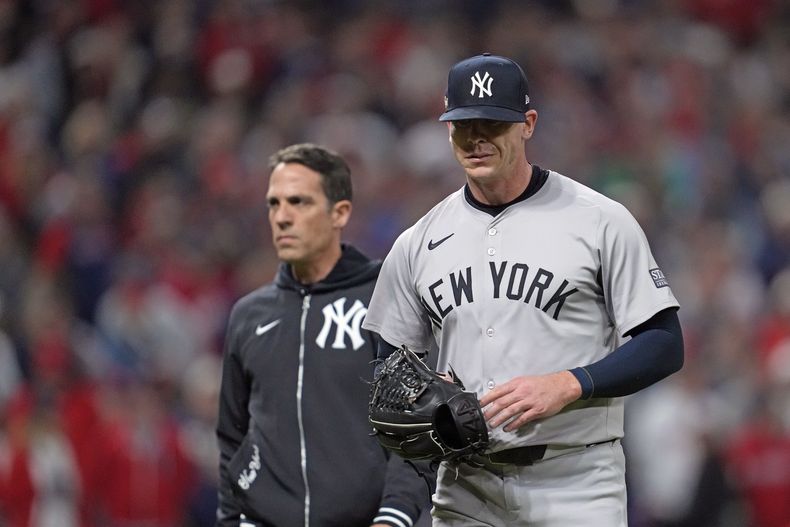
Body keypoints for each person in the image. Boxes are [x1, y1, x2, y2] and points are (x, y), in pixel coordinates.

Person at [361, 53, 685, 526]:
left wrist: (570, 383)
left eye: (492, 124)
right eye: (463, 124)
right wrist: (424, 398)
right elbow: (387, 370)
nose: (476, 138)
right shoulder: (417, 242)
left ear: (528, 124)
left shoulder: (599, 221)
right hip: (465, 488)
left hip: (576, 482)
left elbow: (664, 343)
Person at [216, 143, 431, 527]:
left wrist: (393, 517)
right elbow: (232, 439)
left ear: (339, 213)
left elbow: (413, 427)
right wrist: (232, 520)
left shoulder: (382, 299)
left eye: (299, 202)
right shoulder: (248, 316)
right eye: (274, 204)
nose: (282, 217)